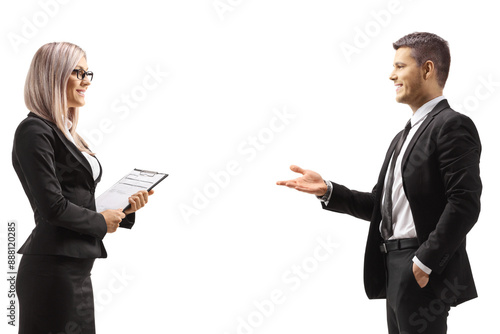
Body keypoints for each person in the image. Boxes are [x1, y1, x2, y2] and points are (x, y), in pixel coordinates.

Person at [277, 32, 481, 334]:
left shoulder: (452, 125)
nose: (391, 75)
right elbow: (379, 205)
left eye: (400, 66)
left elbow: (464, 202)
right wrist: (329, 190)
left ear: (427, 70)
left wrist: (425, 261)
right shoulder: (403, 136)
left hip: (421, 265)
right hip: (393, 265)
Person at [12, 42, 154, 334]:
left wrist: (123, 210)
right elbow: (53, 207)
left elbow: (75, 198)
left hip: (74, 269)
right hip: (52, 273)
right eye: (77, 72)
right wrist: (101, 221)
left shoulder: (64, 131)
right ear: (52, 75)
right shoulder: (34, 131)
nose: (86, 80)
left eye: (87, 72)